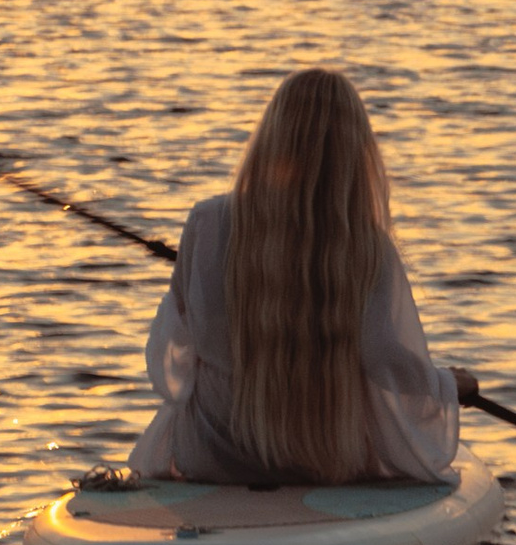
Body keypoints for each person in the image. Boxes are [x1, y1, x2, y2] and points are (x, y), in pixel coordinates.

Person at [128, 65, 475, 487]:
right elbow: (385, 358)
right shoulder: (367, 248)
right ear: (354, 152)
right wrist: (447, 387)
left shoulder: (207, 223)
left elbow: (173, 355)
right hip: (320, 461)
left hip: (211, 457)